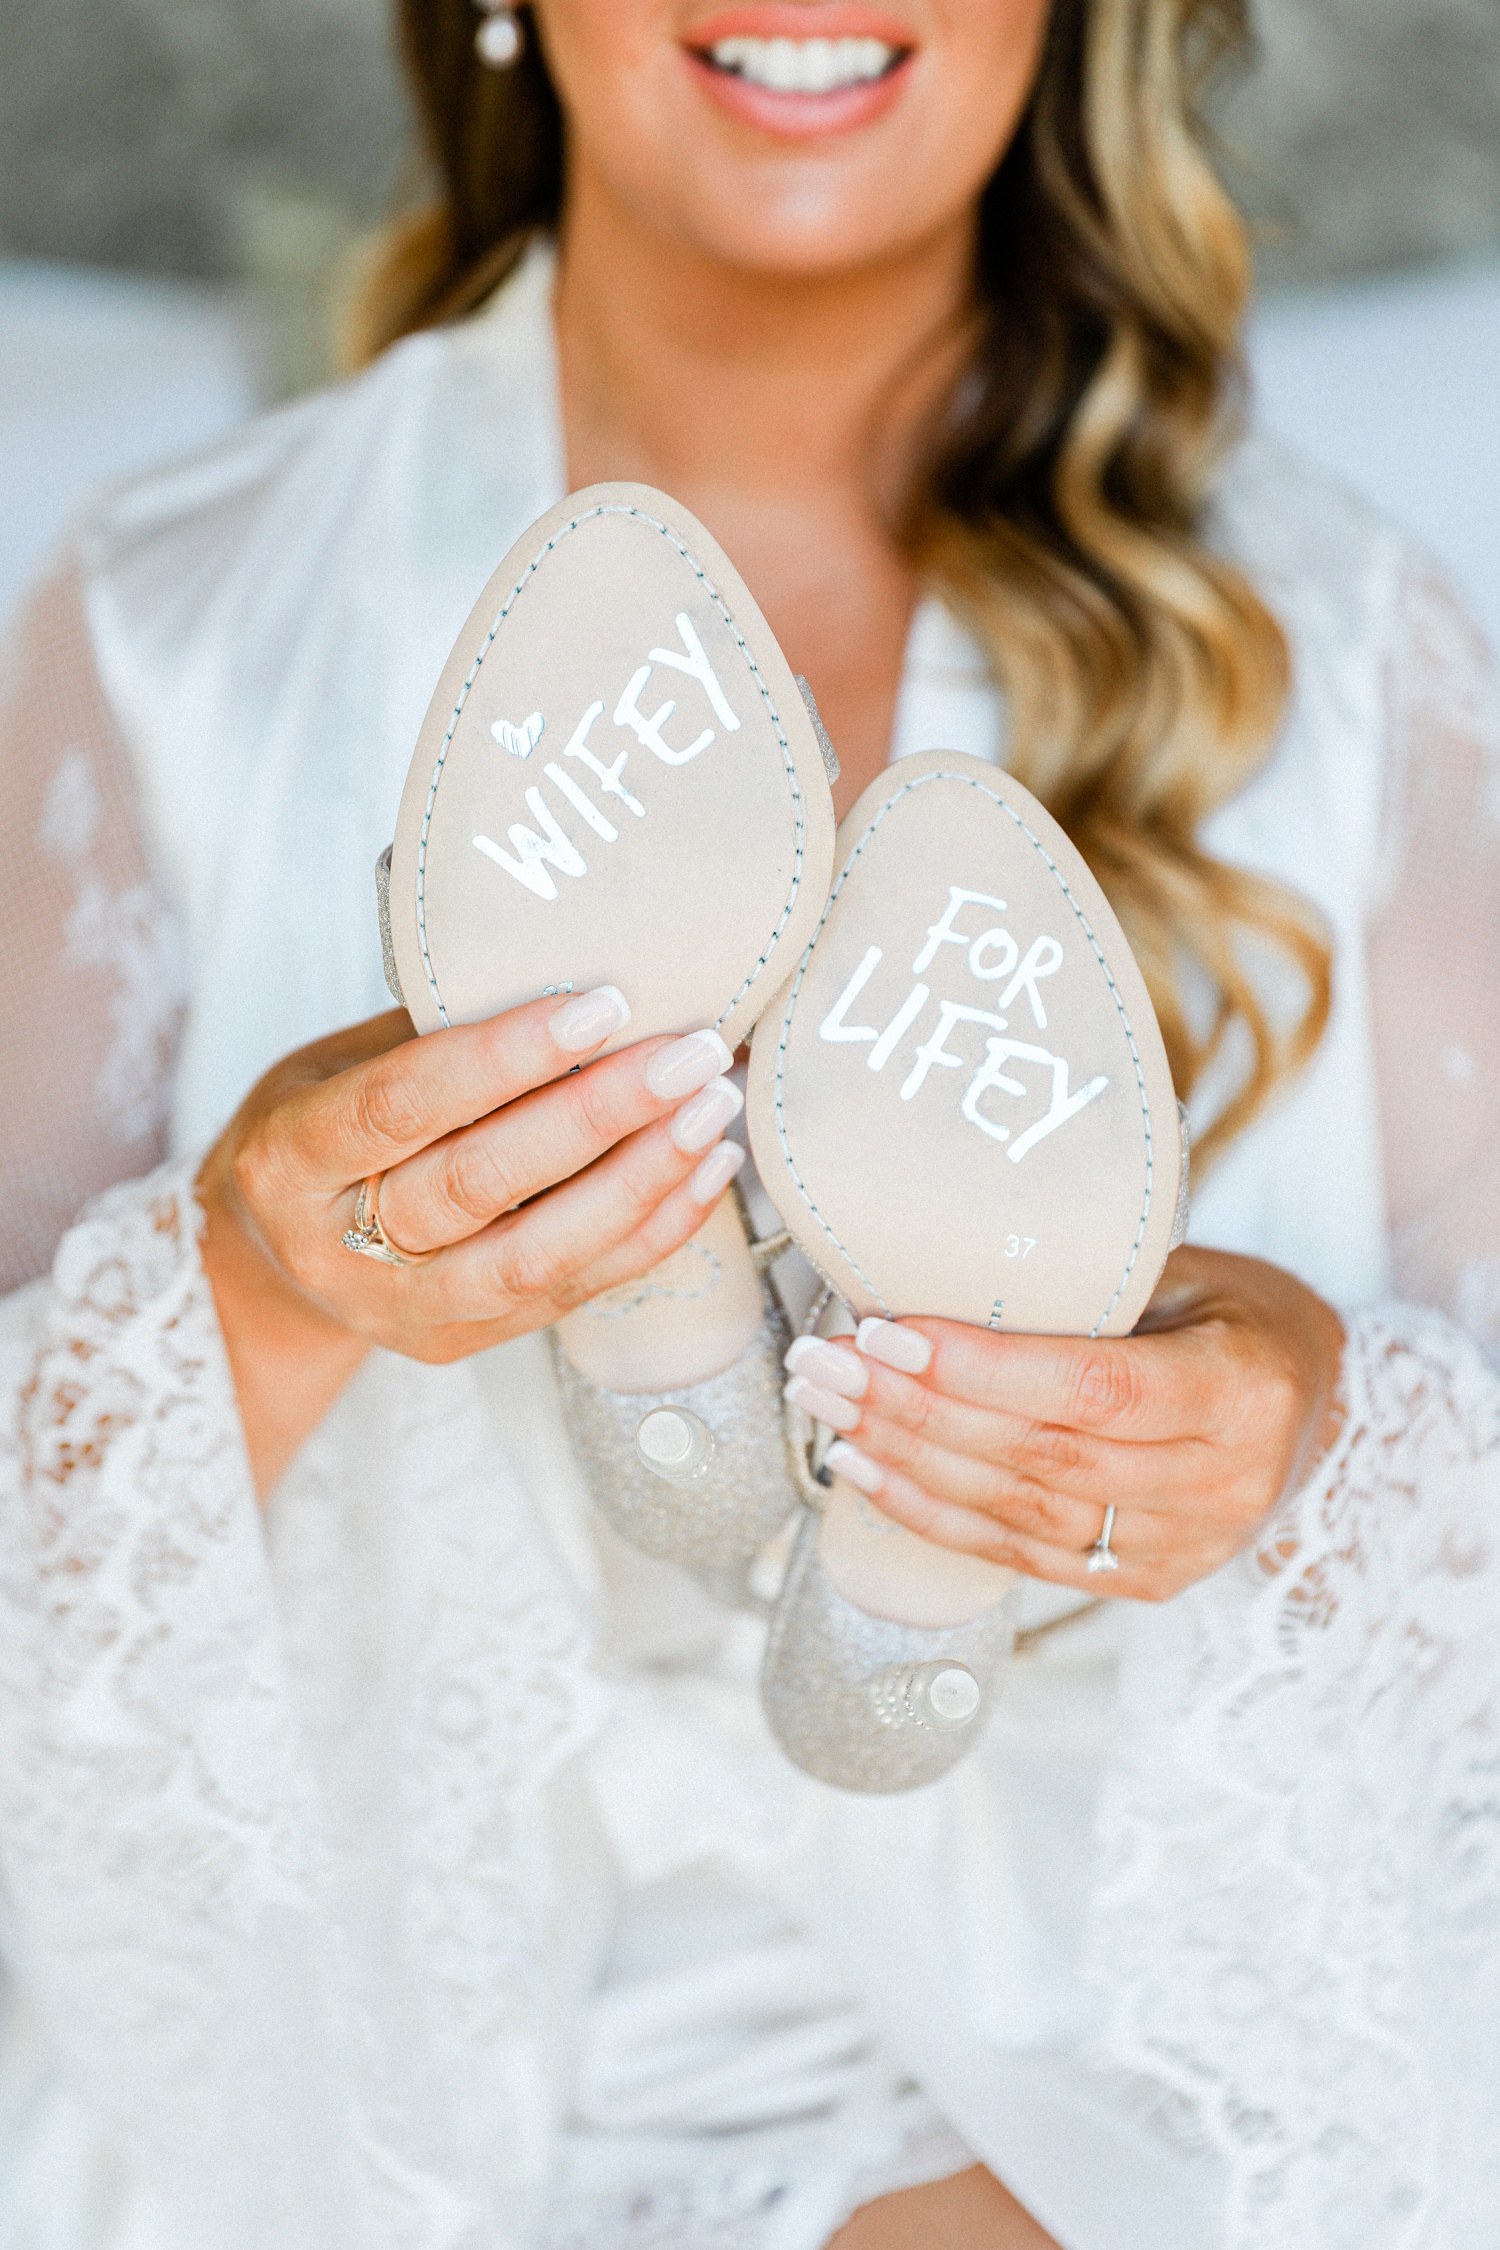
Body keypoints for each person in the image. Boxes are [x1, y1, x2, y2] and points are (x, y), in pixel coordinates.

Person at [1, 1, 1497, 2243]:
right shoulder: (187, 628)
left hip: (1102, 2017)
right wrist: (259, 1278)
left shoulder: (1342, 654)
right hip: (382, 2057)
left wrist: (1297, 1421)